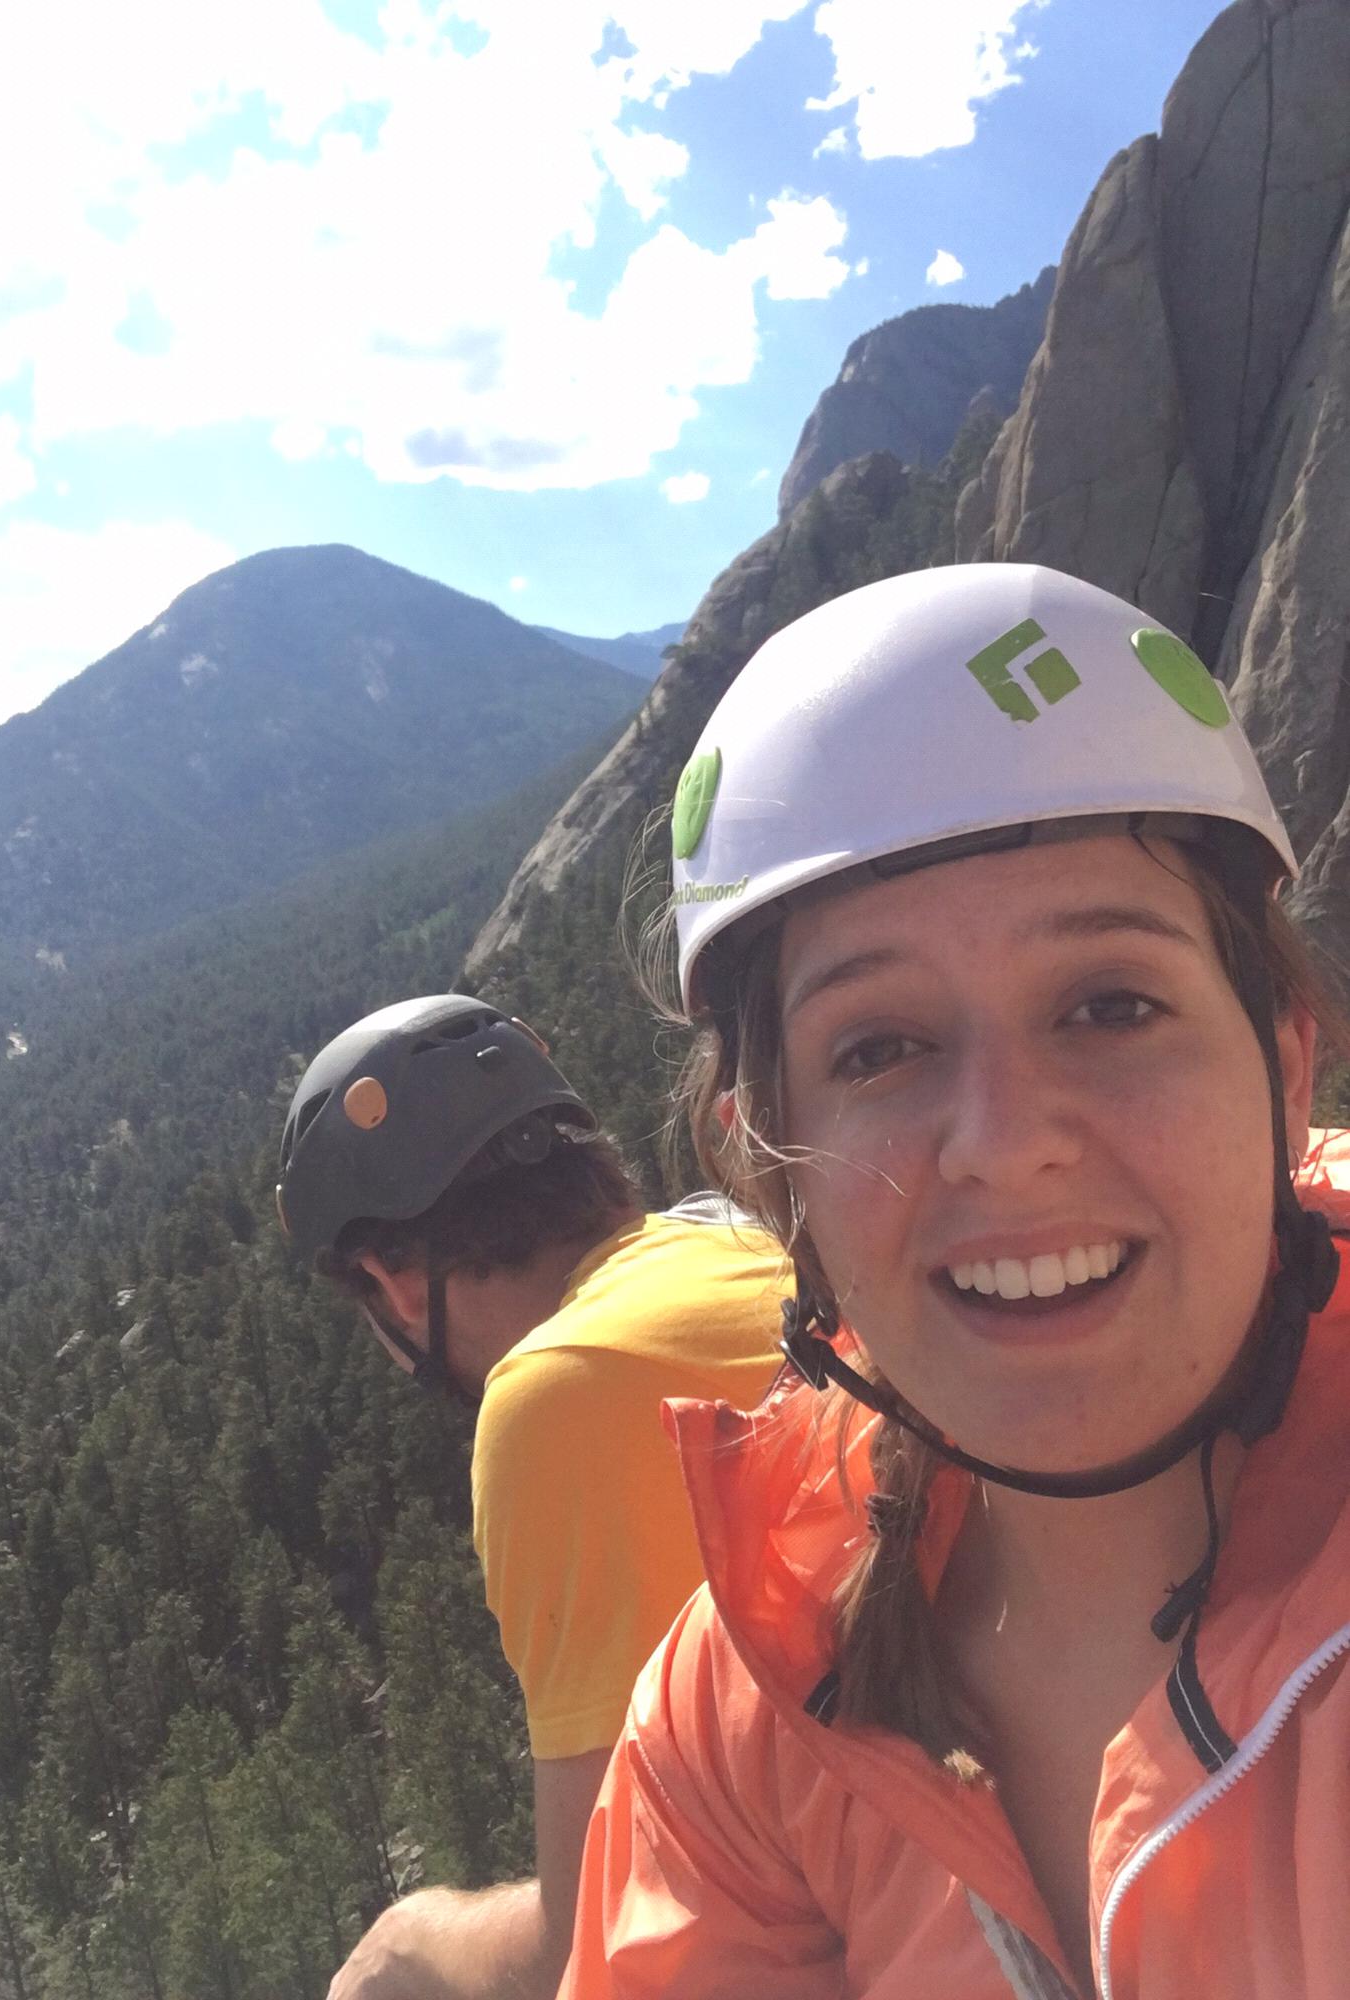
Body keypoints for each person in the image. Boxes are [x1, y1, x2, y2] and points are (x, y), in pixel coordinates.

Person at [560, 563, 1350, 2000]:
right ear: (773, 1168)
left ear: (1286, 1069)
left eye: (1111, 1005)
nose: (1003, 1143)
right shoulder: (746, 1705)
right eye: (880, 1049)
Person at [274, 995, 787, 2000]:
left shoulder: (557, 1394)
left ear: (394, 1282)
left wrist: (413, 1943)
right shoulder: (739, 1241)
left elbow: (603, 1934)